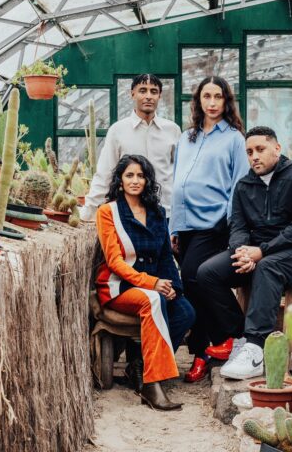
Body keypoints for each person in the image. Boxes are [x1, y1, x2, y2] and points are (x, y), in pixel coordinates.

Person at [194, 126, 292, 380]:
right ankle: (241, 338)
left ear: (277, 148)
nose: (254, 156)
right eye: (249, 152)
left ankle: (256, 349)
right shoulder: (244, 185)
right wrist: (242, 251)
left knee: (268, 266)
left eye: (260, 149)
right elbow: (238, 226)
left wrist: (262, 252)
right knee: (207, 273)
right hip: (257, 251)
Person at [95, 154, 195, 410]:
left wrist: (173, 286)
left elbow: (164, 255)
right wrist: (153, 283)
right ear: (119, 181)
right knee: (153, 299)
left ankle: (139, 365)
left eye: (141, 175)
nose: (135, 180)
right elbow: (115, 261)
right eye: (129, 175)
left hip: (154, 283)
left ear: (148, 180)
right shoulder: (108, 212)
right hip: (119, 286)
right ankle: (152, 385)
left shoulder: (157, 213)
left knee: (185, 312)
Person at [170, 76, 249, 383]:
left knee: (194, 277)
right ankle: (203, 353)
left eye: (218, 96)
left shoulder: (233, 139)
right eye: (207, 96)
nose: (213, 102)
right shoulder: (186, 137)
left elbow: (239, 185)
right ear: (198, 101)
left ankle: (235, 333)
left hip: (213, 223)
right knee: (191, 286)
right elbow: (177, 180)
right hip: (185, 224)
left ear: (226, 101)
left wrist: (228, 225)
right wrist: (173, 227)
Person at [83, 74, 181, 221]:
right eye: (143, 90)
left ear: (160, 96)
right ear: (132, 94)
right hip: (129, 216)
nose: (148, 96)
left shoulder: (172, 130)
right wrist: (87, 211)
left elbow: (180, 175)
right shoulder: (118, 130)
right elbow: (105, 174)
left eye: (153, 92)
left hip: (166, 214)